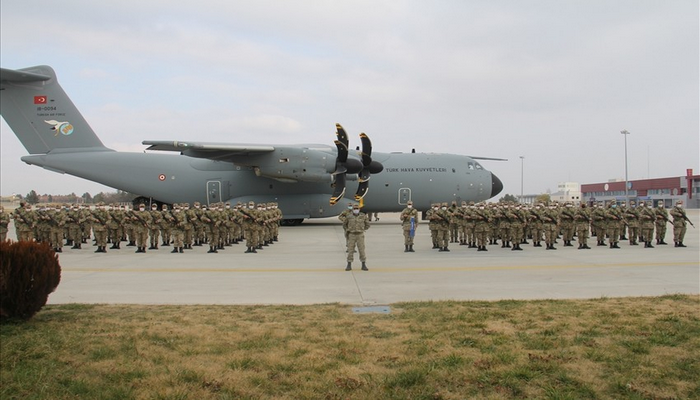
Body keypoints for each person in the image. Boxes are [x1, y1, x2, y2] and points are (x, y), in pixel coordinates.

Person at [343, 204, 370, 271]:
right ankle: (349, 264)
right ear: (352, 209)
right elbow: (344, 224)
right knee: (350, 250)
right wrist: (348, 230)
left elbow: (367, 224)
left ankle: (363, 264)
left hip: (360, 234)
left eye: (357, 208)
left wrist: (362, 229)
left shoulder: (363, 216)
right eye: (354, 208)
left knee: (361, 250)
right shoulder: (349, 216)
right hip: (351, 234)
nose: (356, 210)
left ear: (359, 209)